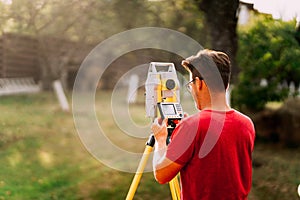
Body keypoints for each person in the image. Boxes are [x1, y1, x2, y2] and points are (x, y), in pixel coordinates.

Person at [151, 49, 255, 200]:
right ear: (225, 85)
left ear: (198, 83)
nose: (192, 89)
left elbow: (161, 174)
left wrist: (161, 140)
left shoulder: (192, 127)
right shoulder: (246, 124)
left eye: (191, 84)